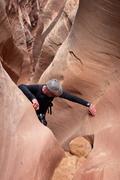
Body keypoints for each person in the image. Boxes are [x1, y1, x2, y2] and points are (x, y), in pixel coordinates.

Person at [18, 79, 96, 126]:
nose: (55, 96)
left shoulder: (54, 93)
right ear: (47, 90)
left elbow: (72, 97)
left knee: (42, 125)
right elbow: (21, 86)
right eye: (53, 94)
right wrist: (33, 99)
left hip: (41, 113)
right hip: (30, 110)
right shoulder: (37, 88)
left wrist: (88, 104)